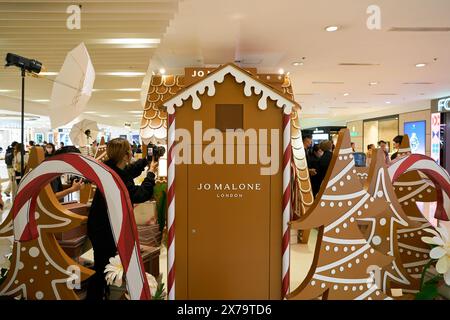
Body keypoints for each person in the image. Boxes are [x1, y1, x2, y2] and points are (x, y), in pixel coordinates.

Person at [86, 138, 158, 300]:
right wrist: (151, 173)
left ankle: (101, 294)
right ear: (125, 155)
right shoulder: (116, 173)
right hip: (105, 228)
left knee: (102, 263)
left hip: (99, 225)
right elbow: (140, 194)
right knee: (102, 267)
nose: (132, 153)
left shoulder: (110, 168)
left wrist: (145, 161)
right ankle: (95, 296)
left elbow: (128, 172)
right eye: (130, 151)